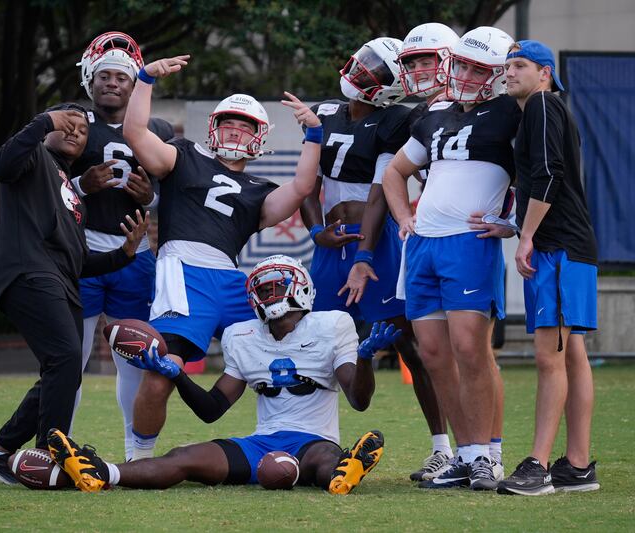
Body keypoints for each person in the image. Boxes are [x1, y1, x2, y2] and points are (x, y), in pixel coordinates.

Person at [46, 255, 395, 494]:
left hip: (313, 441)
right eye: (262, 289)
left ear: (302, 289)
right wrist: (176, 374)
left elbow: (358, 399)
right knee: (182, 458)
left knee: (324, 461)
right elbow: (212, 409)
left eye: (276, 287)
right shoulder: (242, 336)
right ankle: (102, 472)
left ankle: (344, 470)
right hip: (260, 443)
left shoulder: (331, 324)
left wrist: (364, 359)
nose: (268, 295)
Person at [121, 55, 322, 460]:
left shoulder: (259, 188)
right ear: (213, 128)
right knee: (161, 371)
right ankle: (138, 457)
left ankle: (296, 438)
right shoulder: (183, 155)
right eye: (228, 122)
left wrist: (314, 132)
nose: (234, 131)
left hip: (232, 280)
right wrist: (144, 79)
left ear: (259, 137)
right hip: (184, 272)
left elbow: (302, 186)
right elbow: (136, 131)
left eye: (244, 126)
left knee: (287, 345)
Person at [0, 104, 149, 486]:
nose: (74, 131)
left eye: (82, 130)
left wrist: (124, 254)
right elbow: (0, 166)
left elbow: (79, 260)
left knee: (64, 369)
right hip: (28, 272)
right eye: (66, 124)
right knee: (66, 358)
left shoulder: (71, 190)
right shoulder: (32, 155)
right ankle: (51, 454)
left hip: (61, 281)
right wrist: (41, 123)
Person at [299, 35, 448, 483]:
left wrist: (365, 253)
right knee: (312, 341)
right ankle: (308, 438)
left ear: (391, 88)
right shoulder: (324, 111)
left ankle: (443, 448)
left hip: (377, 244)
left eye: (375, 70)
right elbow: (307, 181)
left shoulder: (395, 119)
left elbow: (384, 191)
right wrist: (314, 231)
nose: (361, 71)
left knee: (412, 344)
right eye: (364, 62)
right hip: (331, 245)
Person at [381, 26, 519, 491]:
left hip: (469, 242)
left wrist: (513, 223)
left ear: (499, 75)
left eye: (479, 68)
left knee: (470, 349)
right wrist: (403, 218)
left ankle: (488, 456)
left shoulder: (511, 112)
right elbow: (395, 173)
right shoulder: (433, 116)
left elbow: (540, 171)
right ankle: (466, 454)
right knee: (435, 355)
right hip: (423, 245)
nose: (466, 74)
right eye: (461, 64)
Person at [497, 40, 599, 496]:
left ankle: (537, 467)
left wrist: (527, 236)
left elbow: (550, 174)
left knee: (548, 355)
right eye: (507, 66)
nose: (509, 72)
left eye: (520, 65)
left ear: (545, 73)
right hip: (570, 245)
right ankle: (576, 466)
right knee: (571, 354)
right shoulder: (544, 109)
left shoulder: (540, 104)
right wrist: (513, 226)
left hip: (558, 247)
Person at [70, 31, 175, 461]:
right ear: (90, 80)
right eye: (105, 76)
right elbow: (46, 186)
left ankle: (137, 452)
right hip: (83, 254)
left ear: (136, 86)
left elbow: (173, 194)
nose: (113, 83)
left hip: (135, 255)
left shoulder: (157, 128)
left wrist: (146, 196)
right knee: (68, 357)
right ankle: (58, 441)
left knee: (133, 353)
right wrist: (81, 184)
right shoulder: (71, 121)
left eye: (122, 77)